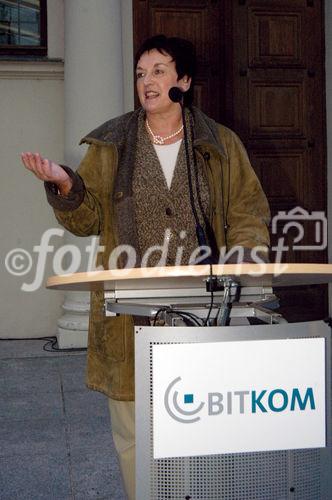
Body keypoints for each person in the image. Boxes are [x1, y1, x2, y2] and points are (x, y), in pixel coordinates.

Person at [21, 34, 270, 499]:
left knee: (200, 430)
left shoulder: (219, 145)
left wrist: (244, 260)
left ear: (184, 82)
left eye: (159, 71)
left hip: (204, 310)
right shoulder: (113, 144)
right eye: (140, 73)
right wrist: (65, 185)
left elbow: (247, 211)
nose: (147, 81)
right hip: (130, 313)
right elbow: (89, 216)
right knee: (134, 432)